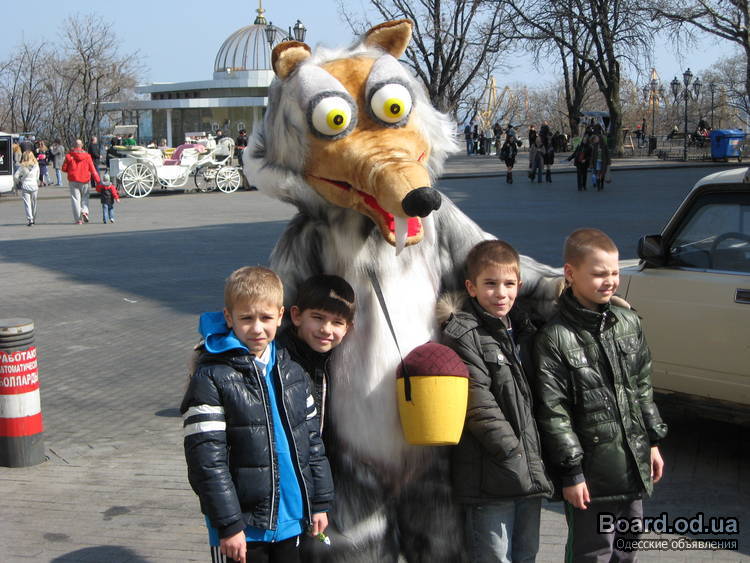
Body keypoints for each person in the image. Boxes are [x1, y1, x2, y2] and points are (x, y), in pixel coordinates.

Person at [533, 228, 668, 563]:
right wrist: (572, 473)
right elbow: (554, 413)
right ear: (570, 273)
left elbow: (642, 387)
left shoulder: (628, 322)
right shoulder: (554, 337)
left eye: (614, 272)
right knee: (593, 553)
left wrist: (652, 441)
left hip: (631, 464)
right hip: (590, 475)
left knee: (627, 546)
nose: (609, 281)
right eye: (598, 274)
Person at [181, 266, 334, 563]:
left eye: (265, 318)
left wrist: (319, 502)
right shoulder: (211, 376)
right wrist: (228, 525)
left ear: (280, 316)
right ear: (229, 318)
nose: (257, 328)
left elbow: (313, 444)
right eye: (246, 318)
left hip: (291, 518)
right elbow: (206, 461)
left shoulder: (293, 371)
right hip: (243, 527)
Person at [439, 240, 553, 562]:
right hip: (489, 476)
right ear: (471, 288)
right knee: (494, 557)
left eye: (509, 284)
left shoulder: (525, 329)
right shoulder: (464, 335)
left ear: (519, 286)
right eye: (490, 284)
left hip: (528, 470)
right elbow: (479, 406)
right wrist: (514, 453)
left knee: (526, 554)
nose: (501, 293)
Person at [277, 274, 355, 438]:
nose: (326, 329)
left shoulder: (341, 365)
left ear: (347, 328)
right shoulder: (278, 362)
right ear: (297, 316)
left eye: (337, 322)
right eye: (318, 318)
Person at [62, 139, 101, 224]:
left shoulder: (69, 156)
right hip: (85, 179)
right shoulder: (87, 156)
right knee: (85, 197)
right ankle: (84, 211)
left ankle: (78, 220)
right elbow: (93, 170)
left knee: (75, 199)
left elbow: (64, 169)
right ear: (82, 145)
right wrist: (98, 181)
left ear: (74, 145)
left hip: (73, 180)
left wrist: (70, 169)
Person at [14, 150, 39, 226]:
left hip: (25, 185)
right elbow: (37, 177)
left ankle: (30, 220)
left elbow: (15, 176)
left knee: (27, 203)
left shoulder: (22, 166)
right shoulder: (36, 165)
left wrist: (20, 181)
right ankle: (34, 218)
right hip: (34, 185)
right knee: (34, 203)